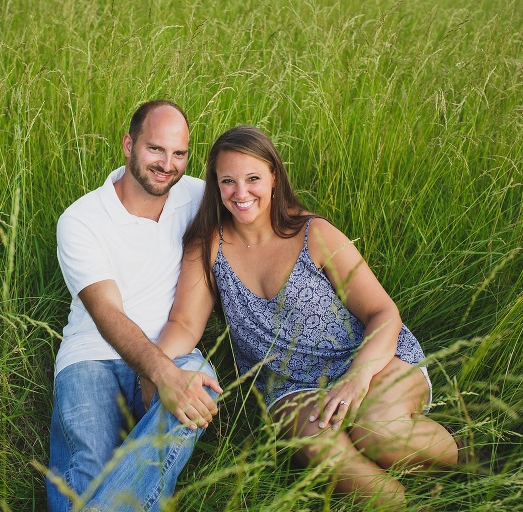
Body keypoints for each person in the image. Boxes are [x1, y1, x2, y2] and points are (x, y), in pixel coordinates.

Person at [155, 125, 459, 509]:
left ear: (274, 177)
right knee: (339, 463)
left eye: (253, 179)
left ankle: (465, 458)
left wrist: (357, 378)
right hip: (290, 387)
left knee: (377, 433)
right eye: (227, 181)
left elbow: (382, 311)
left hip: (369, 357)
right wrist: (153, 366)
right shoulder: (208, 247)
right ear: (215, 185)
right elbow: (184, 324)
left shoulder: (313, 233)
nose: (241, 193)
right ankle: (412, 501)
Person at [48, 100, 223, 512]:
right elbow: (107, 314)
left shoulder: (197, 195)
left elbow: (259, 205)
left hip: (173, 347)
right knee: (87, 468)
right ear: (129, 145)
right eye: (155, 150)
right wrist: (160, 372)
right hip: (91, 357)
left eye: (179, 153)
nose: (168, 164)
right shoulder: (82, 219)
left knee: (197, 381)